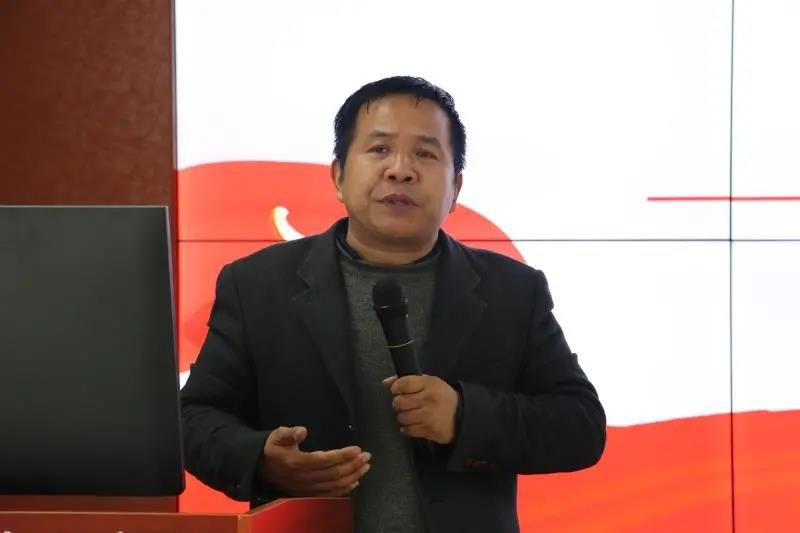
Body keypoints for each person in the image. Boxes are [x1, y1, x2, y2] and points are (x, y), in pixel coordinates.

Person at [181, 76, 606, 533]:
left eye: (425, 153)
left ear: (456, 188)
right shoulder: (258, 285)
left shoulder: (512, 291)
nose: (400, 170)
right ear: (339, 176)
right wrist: (261, 460)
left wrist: (465, 416)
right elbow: (192, 419)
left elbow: (579, 427)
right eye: (379, 149)